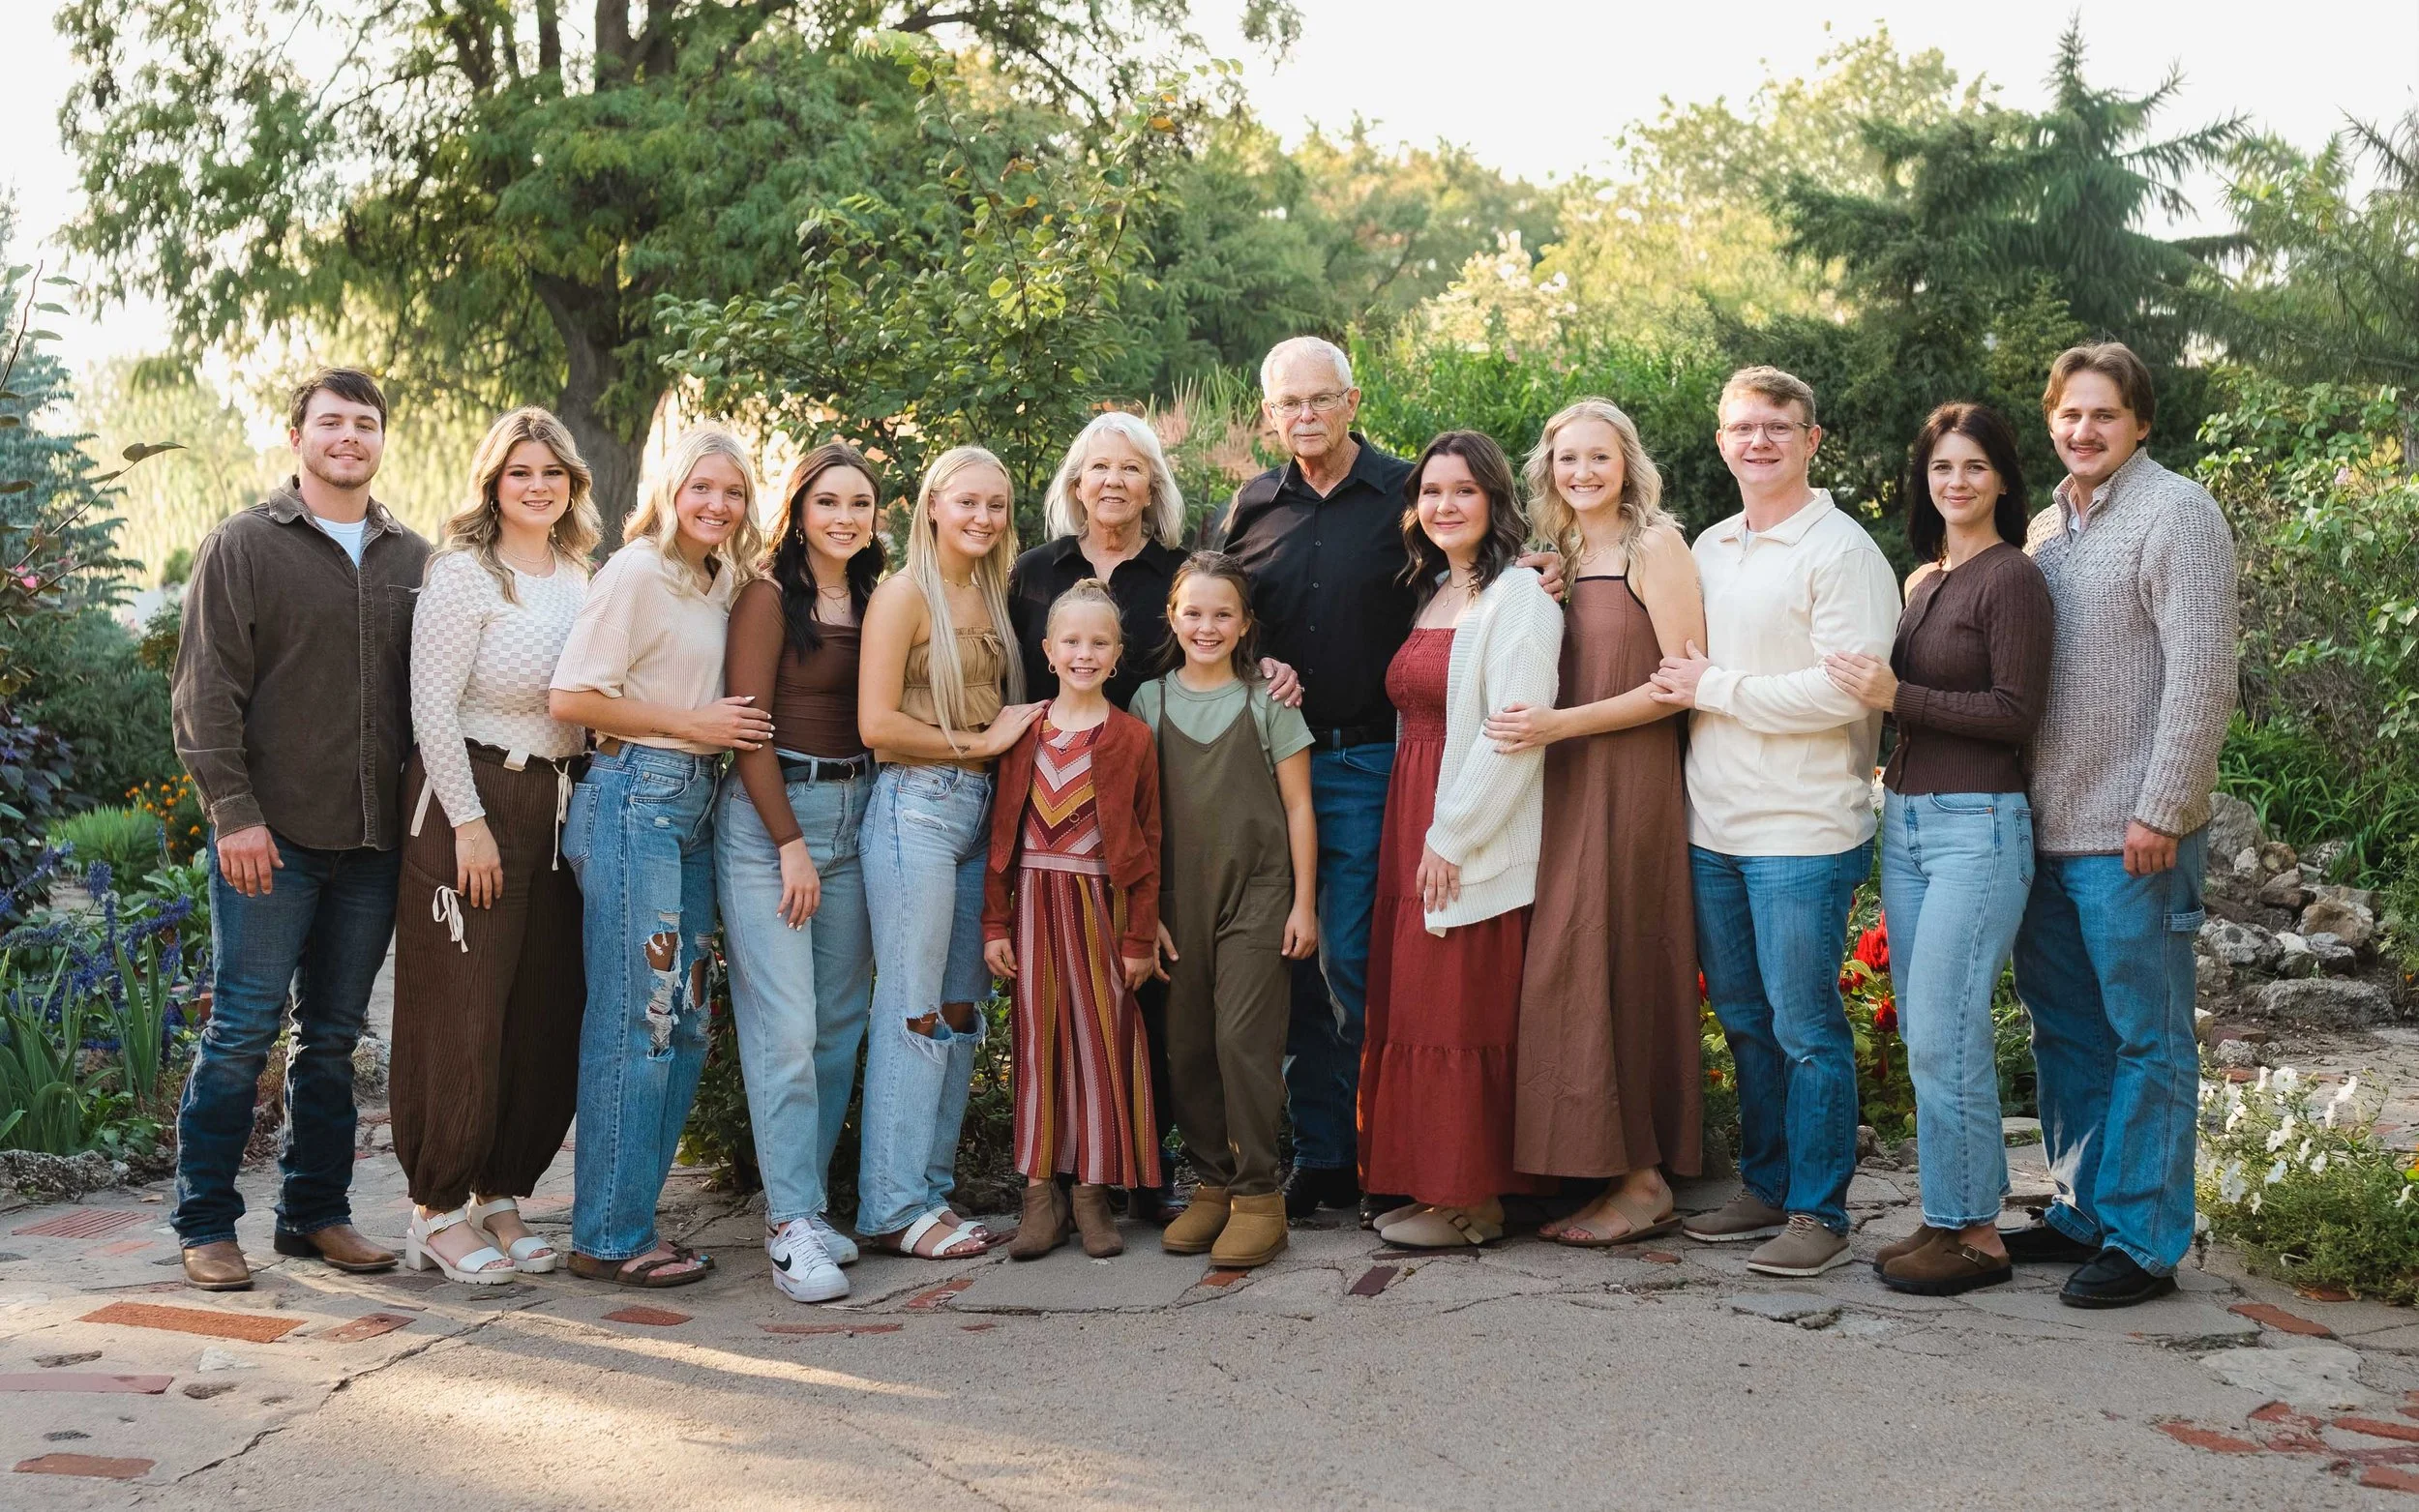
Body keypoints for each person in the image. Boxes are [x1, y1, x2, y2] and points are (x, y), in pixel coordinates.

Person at [169, 367, 428, 1290]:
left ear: (379, 439)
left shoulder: (414, 560)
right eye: (331, 422)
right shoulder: (244, 545)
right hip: (268, 842)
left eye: (365, 422)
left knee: (332, 1037)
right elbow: (204, 692)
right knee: (242, 1030)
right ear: (299, 438)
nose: (348, 436)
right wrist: (233, 815)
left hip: (369, 847)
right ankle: (205, 1223)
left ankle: (314, 1214)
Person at [1652, 367, 1898, 1279]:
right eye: (1741, 427)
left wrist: (1716, 689)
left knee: (1804, 1024)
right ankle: (1764, 1184)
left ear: (1812, 439)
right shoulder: (1708, 545)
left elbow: (1846, 689)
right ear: (1720, 440)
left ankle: (1821, 1211)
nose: (1757, 442)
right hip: (1711, 821)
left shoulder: (1840, 551)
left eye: (1777, 427)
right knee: (1747, 1019)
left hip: (1802, 827)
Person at [2005, 343, 2237, 1308]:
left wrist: (2164, 807)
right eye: (2068, 414)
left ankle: (2143, 1243)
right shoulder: (2041, 530)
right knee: (2065, 1032)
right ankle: (2082, 1209)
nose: (2083, 431)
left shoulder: (2176, 513)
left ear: (2140, 421)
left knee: (2147, 1041)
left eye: (2103, 414)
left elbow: (2200, 675)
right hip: (2046, 835)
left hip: (2133, 833)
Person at [1824, 402, 2053, 1296]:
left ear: (2002, 477)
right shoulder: (1926, 581)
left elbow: (2014, 714)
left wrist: (1896, 695)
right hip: (1911, 823)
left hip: (1979, 826)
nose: (1955, 483)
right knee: (1927, 1029)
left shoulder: (2013, 579)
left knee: (1948, 1028)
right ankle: (1951, 1213)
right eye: (1940, 469)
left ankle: (1978, 1238)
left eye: (1973, 467)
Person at [551, 426, 771, 1289]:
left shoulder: (724, 584)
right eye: (702, 488)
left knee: (684, 1022)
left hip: (697, 804)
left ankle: (630, 1220)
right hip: (633, 795)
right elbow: (572, 698)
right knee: (635, 1017)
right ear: (671, 489)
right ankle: (604, 1236)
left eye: (734, 492)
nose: (717, 505)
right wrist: (693, 727)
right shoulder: (636, 571)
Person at [1485, 399, 1706, 1246]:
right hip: (1560, 778)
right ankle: (1593, 1161)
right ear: (1548, 468)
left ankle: (1645, 1178)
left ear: (1628, 464)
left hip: (1629, 777)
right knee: (1566, 961)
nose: (1582, 472)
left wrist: (1561, 727)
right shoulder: (1562, 556)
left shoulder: (1657, 545)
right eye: (1566, 458)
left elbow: (1680, 682)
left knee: (1620, 952)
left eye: (1598, 458)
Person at [391, 406, 598, 1285]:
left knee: (544, 1010)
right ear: (493, 485)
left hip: (556, 803)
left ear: (573, 485)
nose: (538, 486)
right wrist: (469, 824)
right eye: (521, 473)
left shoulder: (582, 576)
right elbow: (430, 706)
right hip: (467, 797)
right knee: (463, 1009)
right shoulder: (463, 576)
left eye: (553, 473)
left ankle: (503, 1192)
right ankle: (436, 1209)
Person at [1209, 336, 1411, 1222]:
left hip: (1369, 760)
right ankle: (1324, 1157)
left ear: (1353, 400)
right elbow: (1213, 622)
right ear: (1267, 414)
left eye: (1320, 400)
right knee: (1289, 967)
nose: (1305, 417)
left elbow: (1470, 584)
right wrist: (1260, 665)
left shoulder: (1407, 494)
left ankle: (1389, 1158)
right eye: (1288, 405)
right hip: (1270, 767)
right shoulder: (1249, 509)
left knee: (1354, 960)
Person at [1359, 431, 1561, 1250]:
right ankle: (1434, 1182)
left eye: (1464, 491)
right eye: (1431, 491)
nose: (1445, 505)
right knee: (1418, 1002)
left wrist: (1453, 834)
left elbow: (1514, 731)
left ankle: (1475, 1198)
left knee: (1459, 1004)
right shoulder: (1436, 590)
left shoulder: (1520, 596)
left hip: (1462, 820)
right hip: (1410, 813)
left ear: (1495, 500)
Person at [1004, 412, 1198, 1223]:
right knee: (1062, 999)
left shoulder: (1179, 571)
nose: (1114, 481)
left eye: (1131, 468)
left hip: (1153, 773)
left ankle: (1144, 1169)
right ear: (1075, 483)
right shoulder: (1034, 572)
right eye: (1098, 468)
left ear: (1152, 484)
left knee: (1143, 969)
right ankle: (1071, 1171)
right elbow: (1011, 667)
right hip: (1053, 782)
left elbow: (1223, 635)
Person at [855, 445, 1042, 1260]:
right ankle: (890, 1207)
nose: (982, 517)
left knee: (962, 1012)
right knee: (913, 1007)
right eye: (967, 501)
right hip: (916, 810)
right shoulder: (903, 595)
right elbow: (876, 726)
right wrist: (979, 740)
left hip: (980, 816)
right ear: (931, 504)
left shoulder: (993, 594)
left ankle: (928, 1191)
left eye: (996, 505)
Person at [714, 442, 887, 1305]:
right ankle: (789, 1229)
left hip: (859, 811)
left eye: (860, 503)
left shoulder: (877, 596)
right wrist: (787, 841)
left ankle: (806, 1206)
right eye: (829, 502)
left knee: (838, 1027)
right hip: (771, 820)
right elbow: (746, 730)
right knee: (784, 1030)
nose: (845, 517)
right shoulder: (766, 596)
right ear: (800, 510)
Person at [1130, 553, 1318, 1269]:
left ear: (1245, 625)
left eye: (1223, 614)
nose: (1207, 626)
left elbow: (1300, 805)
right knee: (1187, 1046)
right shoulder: (1150, 700)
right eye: (1194, 612)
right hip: (1179, 898)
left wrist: (1304, 902)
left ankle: (1260, 1194)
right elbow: (1138, 817)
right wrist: (1146, 910)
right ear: (1173, 617)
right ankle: (1210, 1182)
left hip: (1259, 894)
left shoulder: (1266, 699)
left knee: (1244, 1040)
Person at [982, 581, 1165, 1260]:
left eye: (1099, 642)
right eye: (1072, 641)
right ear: (1048, 651)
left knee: (1099, 1042)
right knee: (1037, 1044)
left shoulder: (1131, 738)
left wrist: (1140, 934)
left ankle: (1092, 1189)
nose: (1084, 653)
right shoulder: (1022, 729)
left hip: (1098, 907)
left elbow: (1150, 842)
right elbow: (1001, 835)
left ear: (1117, 656)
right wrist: (994, 923)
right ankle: (1040, 1192)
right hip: (1032, 902)